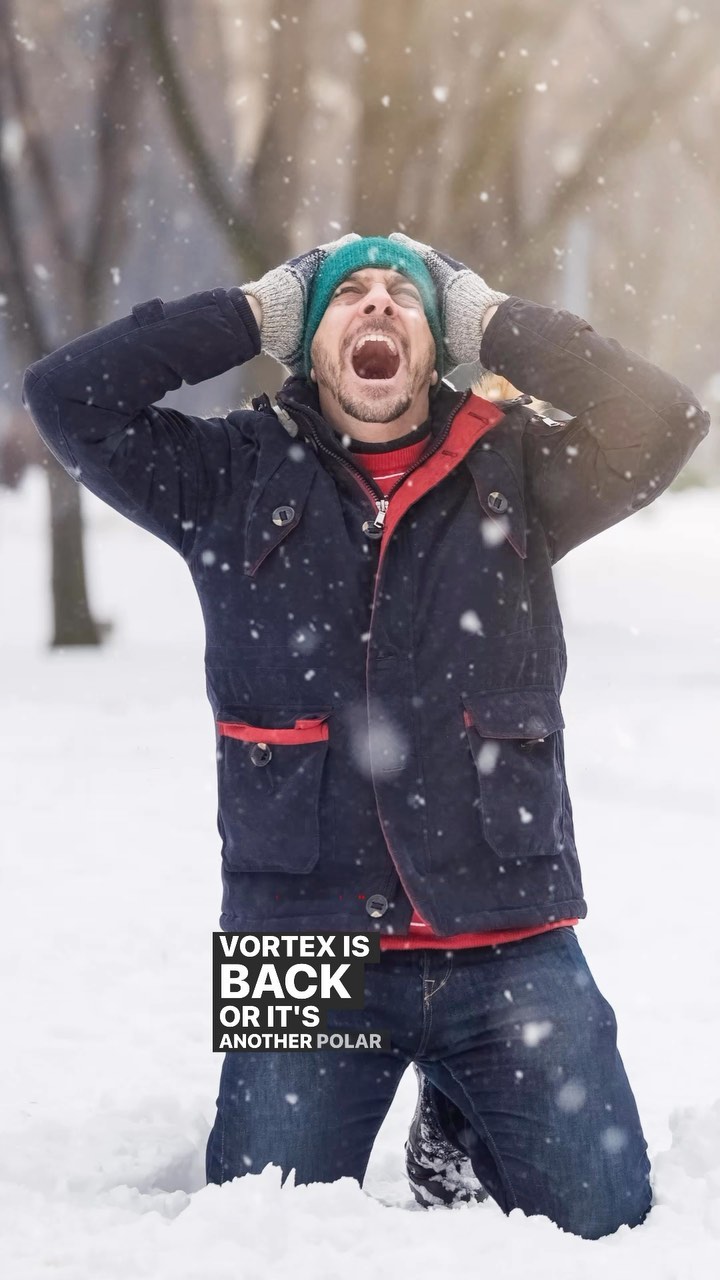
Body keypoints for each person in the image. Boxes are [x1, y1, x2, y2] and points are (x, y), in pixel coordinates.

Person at [23, 233, 709, 1239]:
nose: (378, 304)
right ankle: (454, 1098)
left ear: (437, 350)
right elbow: (64, 397)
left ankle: (458, 1122)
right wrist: (249, 311)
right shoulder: (229, 474)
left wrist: (492, 320)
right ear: (308, 344)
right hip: (297, 936)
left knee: (610, 1230)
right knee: (255, 1235)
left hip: (508, 924)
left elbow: (666, 419)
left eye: (406, 296)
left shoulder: (513, 463)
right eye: (347, 294)